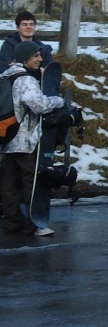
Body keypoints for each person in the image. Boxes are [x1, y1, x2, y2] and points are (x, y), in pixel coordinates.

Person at [1, 41, 65, 236]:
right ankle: (34, 224)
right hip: (26, 140)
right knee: (32, 183)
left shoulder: (6, 76)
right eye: (35, 56)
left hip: (8, 138)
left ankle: (12, 223)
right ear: (25, 58)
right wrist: (57, 101)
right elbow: (38, 105)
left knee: (10, 183)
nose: (40, 59)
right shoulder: (26, 80)